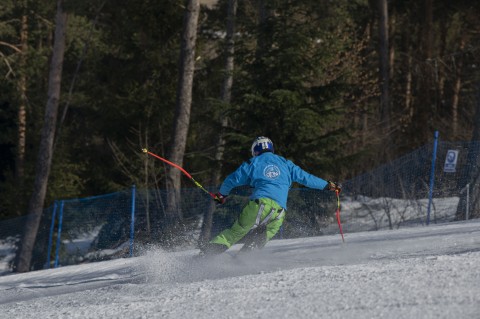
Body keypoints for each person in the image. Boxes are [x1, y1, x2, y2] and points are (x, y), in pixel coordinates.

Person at [200, 136, 341, 256]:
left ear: (255, 150)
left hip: (258, 205)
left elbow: (231, 180)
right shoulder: (286, 163)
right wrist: (328, 185)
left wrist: (221, 195)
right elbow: (307, 178)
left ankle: (204, 256)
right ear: (271, 148)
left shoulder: (252, 162)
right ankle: (243, 261)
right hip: (279, 212)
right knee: (260, 239)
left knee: (235, 233)